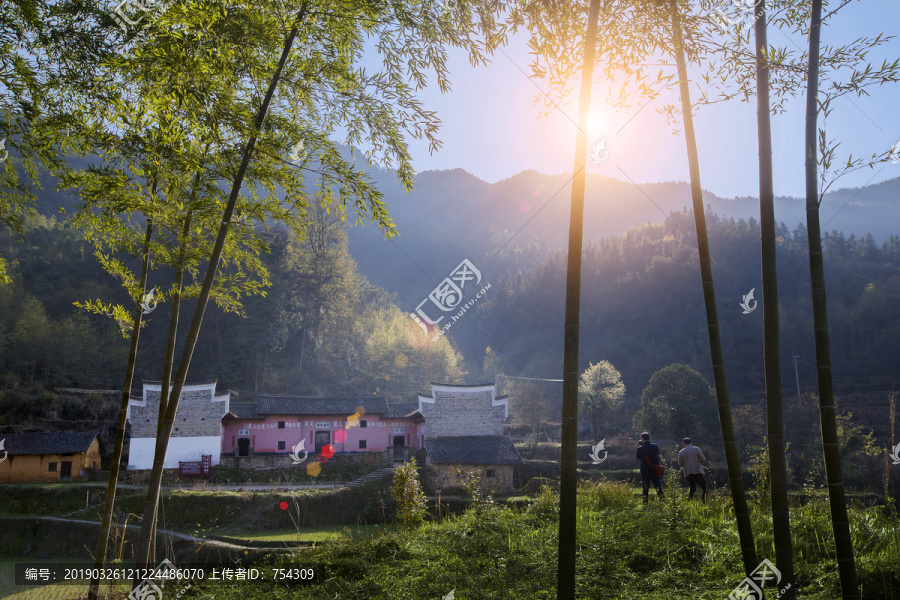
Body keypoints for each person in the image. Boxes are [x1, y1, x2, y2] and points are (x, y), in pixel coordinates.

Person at [678, 437, 708, 502]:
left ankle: (690, 501)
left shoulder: (681, 452)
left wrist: (686, 465)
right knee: (704, 487)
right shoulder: (696, 449)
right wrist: (699, 461)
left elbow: (680, 464)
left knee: (692, 488)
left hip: (688, 473)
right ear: (691, 443)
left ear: (684, 444)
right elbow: (703, 459)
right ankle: (704, 502)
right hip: (697, 471)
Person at [636, 431, 663, 503]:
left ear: (642, 439)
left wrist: (642, 446)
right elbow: (657, 453)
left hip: (645, 471)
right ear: (649, 438)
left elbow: (638, 457)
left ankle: (645, 504)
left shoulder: (640, 449)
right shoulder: (655, 446)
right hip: (655, 469)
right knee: (658, 487)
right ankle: (663, 501)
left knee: (645, 489)